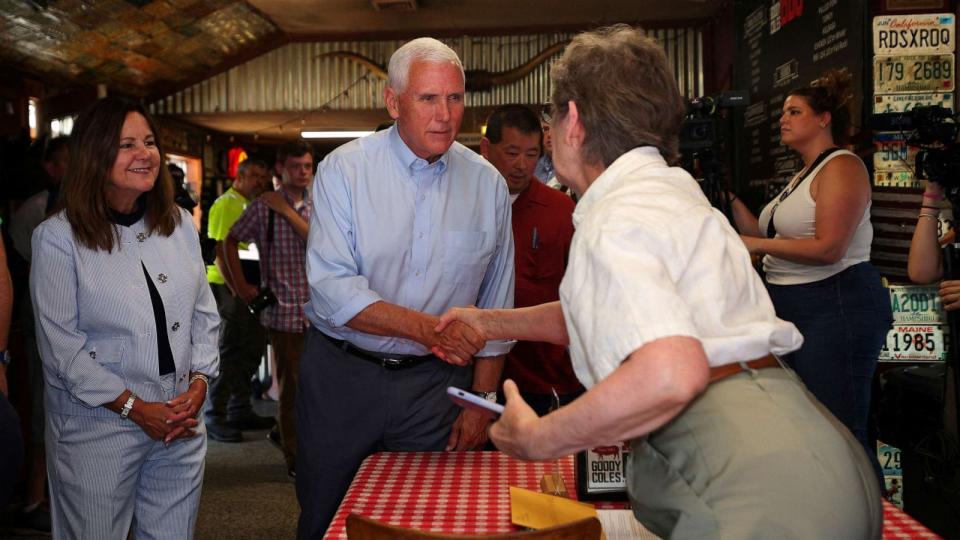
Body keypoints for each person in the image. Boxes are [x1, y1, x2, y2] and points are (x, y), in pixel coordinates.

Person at [435, 25, 882, 538]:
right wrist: (485, 321)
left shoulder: (615, 218)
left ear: (574, 121)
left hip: (744, 481)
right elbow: (608, 309)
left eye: (552, 116)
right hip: (816, 455)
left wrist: (541, 437)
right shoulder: (673, 192)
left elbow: (670, 369)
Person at [298, 37, 515, 538]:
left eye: (455, 98)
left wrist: (481, 403)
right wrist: (431, 331)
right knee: (326, 517)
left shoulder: (487, 185)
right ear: (393, 101)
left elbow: (498, 305)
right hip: (342, 378)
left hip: (434, 391)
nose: (445, 115)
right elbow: (332, 288)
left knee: (431, 521)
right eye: (428, 98)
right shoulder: (345, 172)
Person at [30, 97, 220, 539]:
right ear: (95, 155)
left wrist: (200, 383)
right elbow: (62, 352)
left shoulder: (176, 223)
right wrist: (135, 408)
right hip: (98, 427)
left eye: (150, 142)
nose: (145, 154)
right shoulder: (57, 239)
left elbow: (203, 317)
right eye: (127, 144)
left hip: (179, 419)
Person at [732, 69, 893, 479]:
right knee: (802, 430)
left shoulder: (842, 167)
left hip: (836, 303)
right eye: (783, 112)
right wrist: (726, 196)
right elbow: (761, 235)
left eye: (794, 111)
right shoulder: (801, 175)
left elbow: (828, 247)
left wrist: (756, 246)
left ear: (823, 119)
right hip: (792, 306)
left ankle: (867, 520)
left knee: (839, 429)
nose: (782, 119)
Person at [479, 104, 582, 415]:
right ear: (486, 149)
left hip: (549, 384)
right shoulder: (464, 206)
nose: (522, 165)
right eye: (511, 153)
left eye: (531, 154)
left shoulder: (561, 211)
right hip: (477, 381)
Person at [222, 140, 312, 477]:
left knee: (316, 387)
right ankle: (295, 458)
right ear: (281, 168)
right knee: (291, 389)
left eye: (307, 166)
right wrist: (241, 286)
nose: (302, 173)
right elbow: (229, 241)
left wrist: (286, 211)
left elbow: (320, 242)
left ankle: (286, 433)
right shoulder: (261, 208)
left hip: (320, 313)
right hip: (285, 312)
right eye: (295, 166)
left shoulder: (319, 202)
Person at [7, 135, 67, 532]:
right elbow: (20, 270)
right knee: (45, 408)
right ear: (49, 166)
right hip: (38, 321)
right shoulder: (34, 212)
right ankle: (33, 498)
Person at [205, 158, 273, 442]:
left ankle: (240, 408)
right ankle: (214, 416)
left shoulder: (251, 205)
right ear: (240, 176)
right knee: (230, 352)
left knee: (251, 350)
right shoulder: (226, 203)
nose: (260, 181)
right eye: (255, 175)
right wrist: (237, 289)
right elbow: (220, 251)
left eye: (263, 176)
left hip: (251, 289)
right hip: (228, 288)